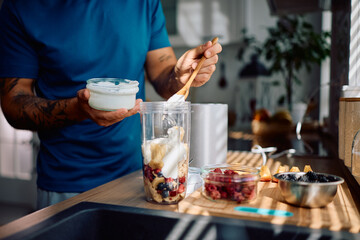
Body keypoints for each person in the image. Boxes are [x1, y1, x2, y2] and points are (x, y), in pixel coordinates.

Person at [0, 0, 222, 208]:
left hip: (139, 179)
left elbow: (164, 75)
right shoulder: (22, 6)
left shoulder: (144, 3)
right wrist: (78, 109)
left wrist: (179, 75)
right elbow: (13, 104)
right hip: (66, 185)